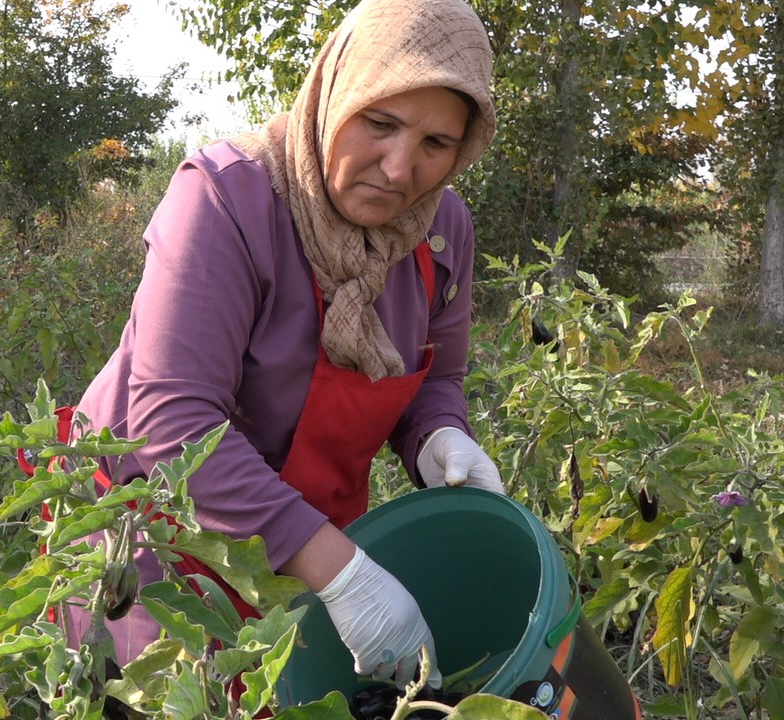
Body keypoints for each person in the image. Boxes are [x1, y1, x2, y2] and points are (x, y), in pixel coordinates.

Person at [64, 0, 503, 691]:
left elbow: (436, 378)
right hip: (158, 540)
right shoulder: (223, 202)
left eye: (435, 145)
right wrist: (345, 573)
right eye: (380, 124)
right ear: (335, 93)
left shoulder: (441, 229)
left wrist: (441, 437)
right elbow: (175, 425)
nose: (397, 170)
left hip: (302, 548)